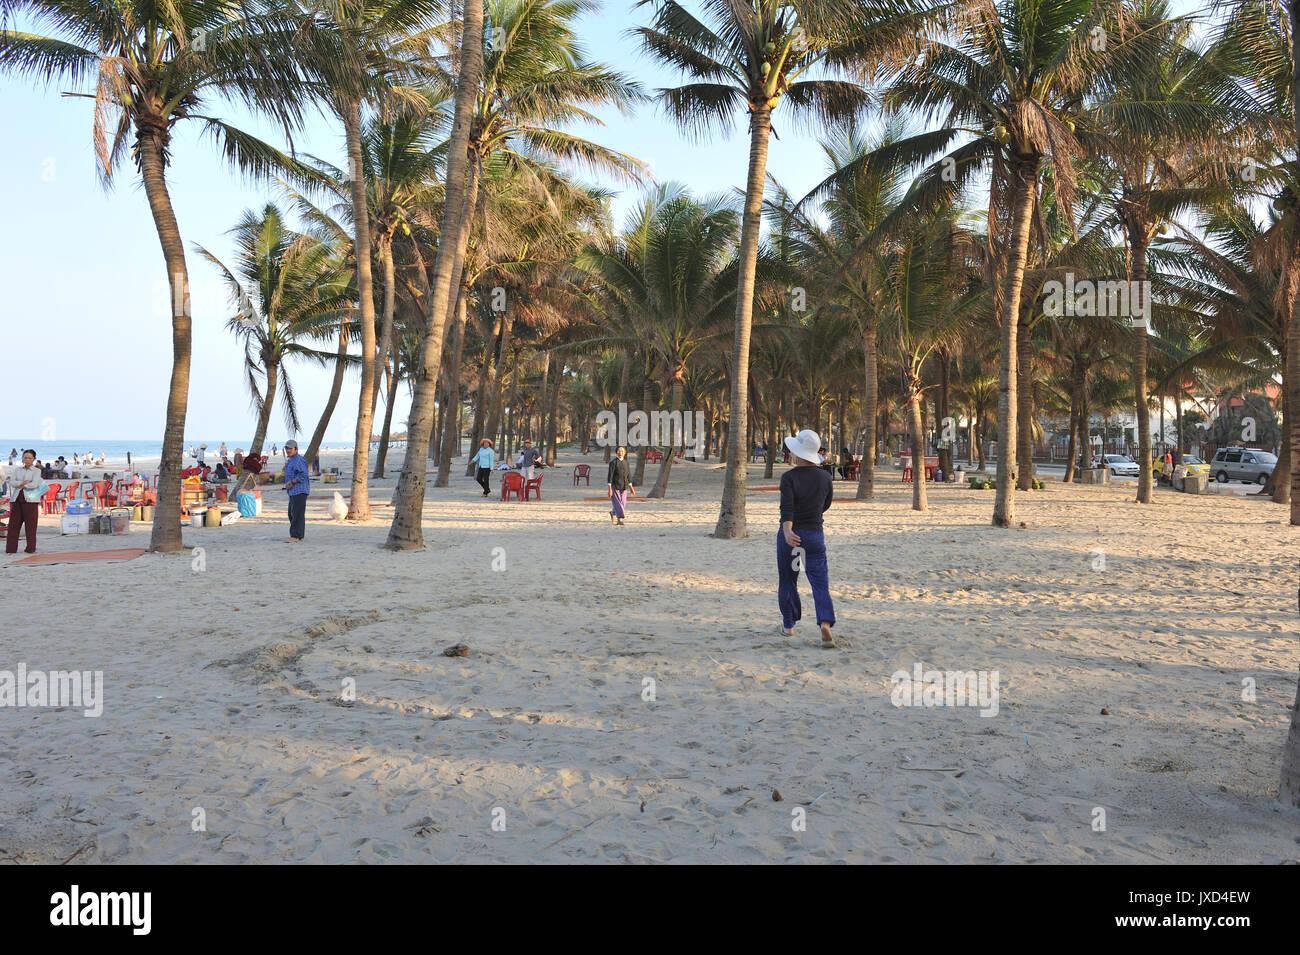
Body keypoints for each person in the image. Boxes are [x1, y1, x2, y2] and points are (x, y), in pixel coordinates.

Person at [778, 429, 836, 648]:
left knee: (788, 580)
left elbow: (787, 509)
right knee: (819, 583)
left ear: (797, 453)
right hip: (814, 535)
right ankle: (825, 623)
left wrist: (787, 532)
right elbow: (826, 504)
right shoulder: (825, 477)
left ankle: (789, 626)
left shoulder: (789, 477)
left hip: (793, 536)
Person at [5, 450, 48, 555]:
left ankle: (30, 549)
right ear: (22, 459)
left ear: (33, 459)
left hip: (31, 501)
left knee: (31, 527)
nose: (27, 460)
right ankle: (10, 549)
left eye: (30, 458)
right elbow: (11, 482)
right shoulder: (17, 470)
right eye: (25, 457)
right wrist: (23, 483)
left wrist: (20, 484)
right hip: (16, 500)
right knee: (13, 526)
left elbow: (35, 484)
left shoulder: (36, 471)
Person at [283, 440, 309, 542]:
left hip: (299, 490)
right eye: (287, 448)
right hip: (293, 491)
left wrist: (292, 482)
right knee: (292, 513)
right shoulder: (291, 460)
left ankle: (296, 536)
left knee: (296, 513)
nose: (288, 450)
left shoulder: (299, 460)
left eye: (290, 448)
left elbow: (303, 474)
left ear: (296, 449)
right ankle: (298, 535)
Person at [607, 446, 635, 526]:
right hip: (615, 486)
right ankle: (620, 519)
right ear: (616, 452)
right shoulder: (613, 463)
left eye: (622, 451)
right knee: (618, 503)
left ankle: (613, 513)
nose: (620, 452)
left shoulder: (626, 462)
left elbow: (628, 475)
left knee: (623, 503)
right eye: (619, 451)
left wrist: (631, 488)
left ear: (625, 453)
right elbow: (610, 476)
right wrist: (610, 489)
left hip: (625, 486)